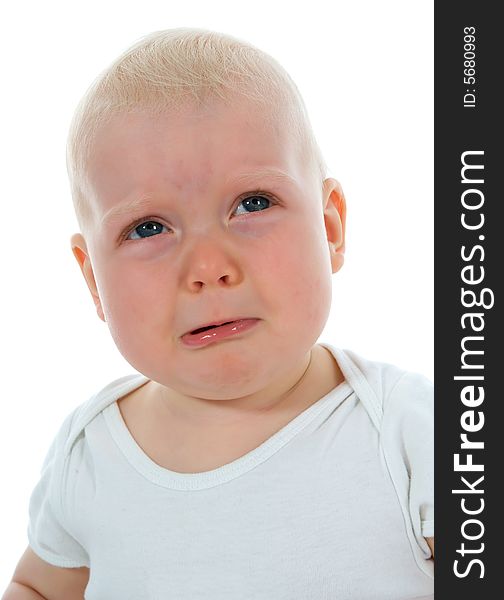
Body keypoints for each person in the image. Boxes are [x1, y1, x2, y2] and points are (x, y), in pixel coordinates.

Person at [2, 28, 434, 599]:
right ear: (93, 280)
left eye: (252, 204)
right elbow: (39, 587)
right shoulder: (90, 452)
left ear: (329, 228)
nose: (207, 266)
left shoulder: (410, 431)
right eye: (147, 228)